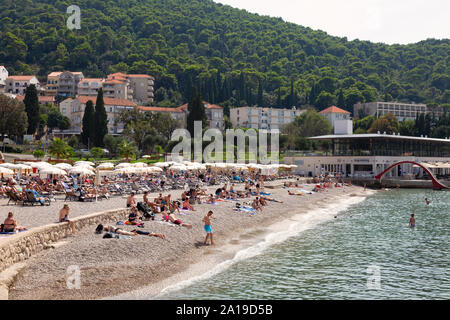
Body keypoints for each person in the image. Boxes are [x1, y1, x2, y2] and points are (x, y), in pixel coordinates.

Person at [95, 224, 165, 239]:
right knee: (145, 233)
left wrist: (132, 234)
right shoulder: (108, 227)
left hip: (132, 232)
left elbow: (124, 233)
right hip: (133, 231)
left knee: (146, 234)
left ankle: (158, 234)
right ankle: (158, 235)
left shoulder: (111, 227)